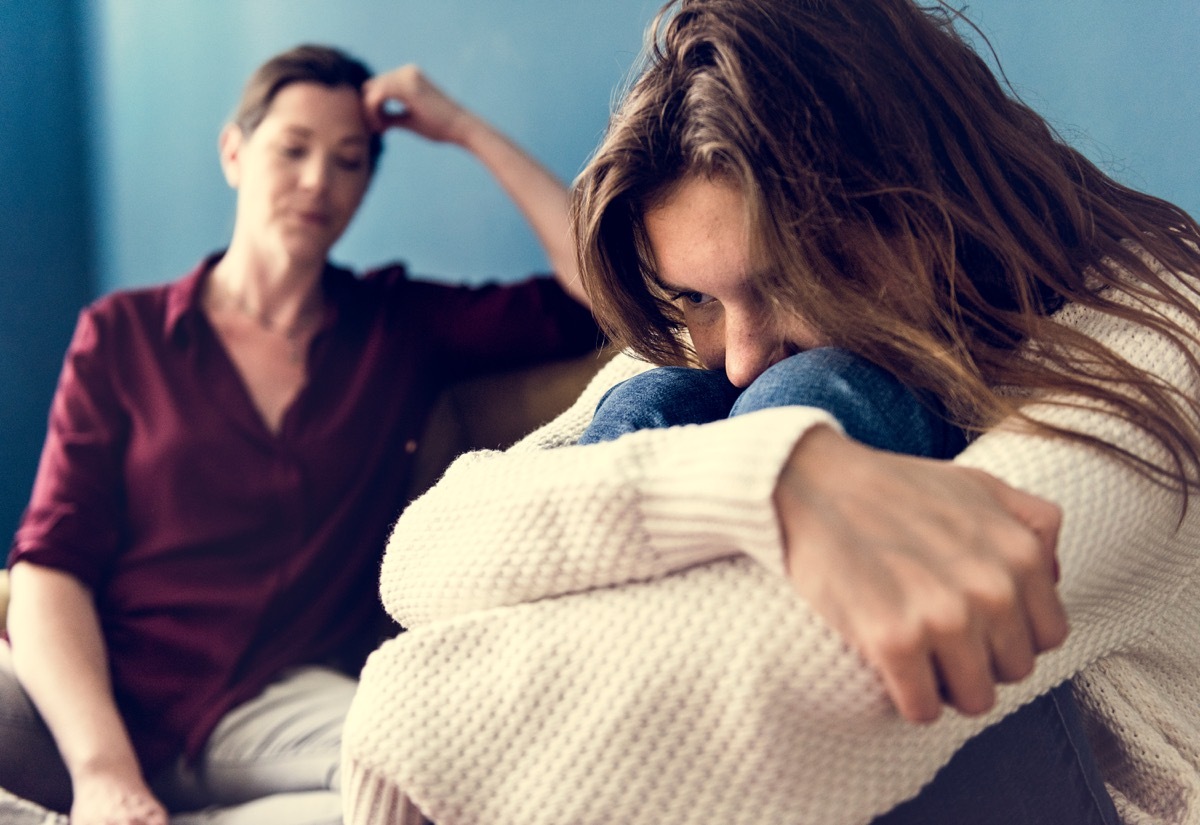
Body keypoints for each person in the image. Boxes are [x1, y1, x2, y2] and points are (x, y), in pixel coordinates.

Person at [340, 1, 1200, 823]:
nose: (742, 354)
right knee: (665, 396)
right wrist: (770, 477)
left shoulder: (1155, 337)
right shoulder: (703, 342)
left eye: (789, 279)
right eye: (696, 297)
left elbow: (775, 695)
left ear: (926, 208)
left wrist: (396, 704)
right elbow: (424, 549)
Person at [1, 44, 599, 825]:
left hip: (277, 707)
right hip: (92, 697)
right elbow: (49, 568)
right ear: (234, 152)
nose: (319, 180)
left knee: (432, 782)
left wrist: (461, 128)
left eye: (350, 161)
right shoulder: (123, 335)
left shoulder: (399, 326)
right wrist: (104, 772)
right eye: (294, 150)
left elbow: (599, 292)